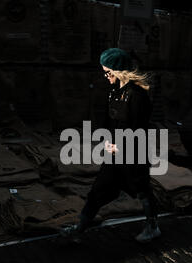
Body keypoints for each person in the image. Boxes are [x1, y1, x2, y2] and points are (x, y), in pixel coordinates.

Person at [62, 48, 161, 243]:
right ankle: (79, 229)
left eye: (108, 72)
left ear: (118, 71)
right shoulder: (115, 92)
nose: (105, 75)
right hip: (115, 153)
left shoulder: (137, 95)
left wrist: (122, 147)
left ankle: (152, 227)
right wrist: (107, 141)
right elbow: (110, 123)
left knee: (141, 190)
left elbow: (139, 129)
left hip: (134, 153)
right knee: (99, 188)